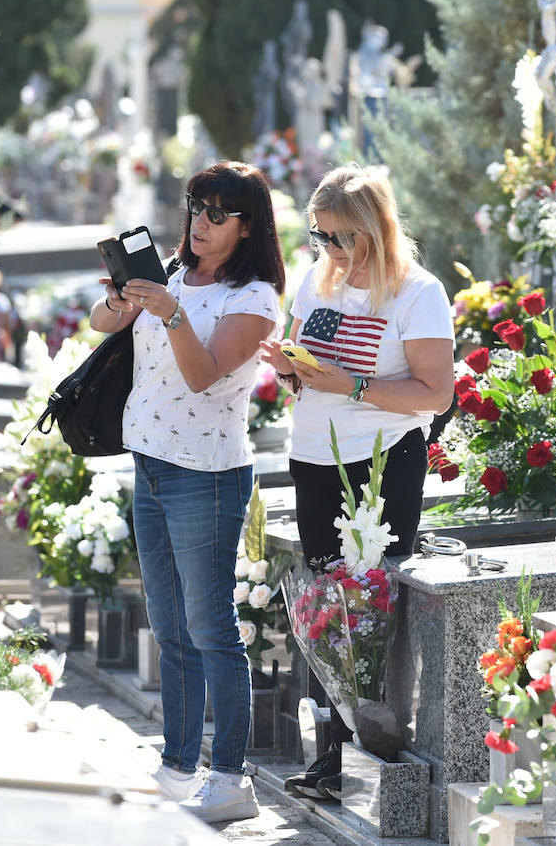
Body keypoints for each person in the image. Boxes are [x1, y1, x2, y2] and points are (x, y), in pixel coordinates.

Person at [89, 161, 285, 824]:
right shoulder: (173, 272)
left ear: (247, 226)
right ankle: (177, 767)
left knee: (211, 628)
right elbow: (100, 324)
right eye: (196, 206)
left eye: (217, 213)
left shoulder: (253, 297)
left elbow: (202, 374)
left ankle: (230, 779)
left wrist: (170, 313)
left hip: (206, 473)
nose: (200, 222)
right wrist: (123, 299)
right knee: (170, 626)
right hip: (149, 461)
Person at [260, 165, 454, 799]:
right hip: (315, 455)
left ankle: (373, 750)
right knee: (324, 607)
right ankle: (329, 756)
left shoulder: (418, 292)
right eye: (319, 235)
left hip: (383, 459)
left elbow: (436, 393)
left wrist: (353, 386)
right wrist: (289, 369)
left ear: (377, 228)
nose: (330, 249)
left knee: (370, 603)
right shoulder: (317, 280)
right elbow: (307, 366)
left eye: (342, 237)